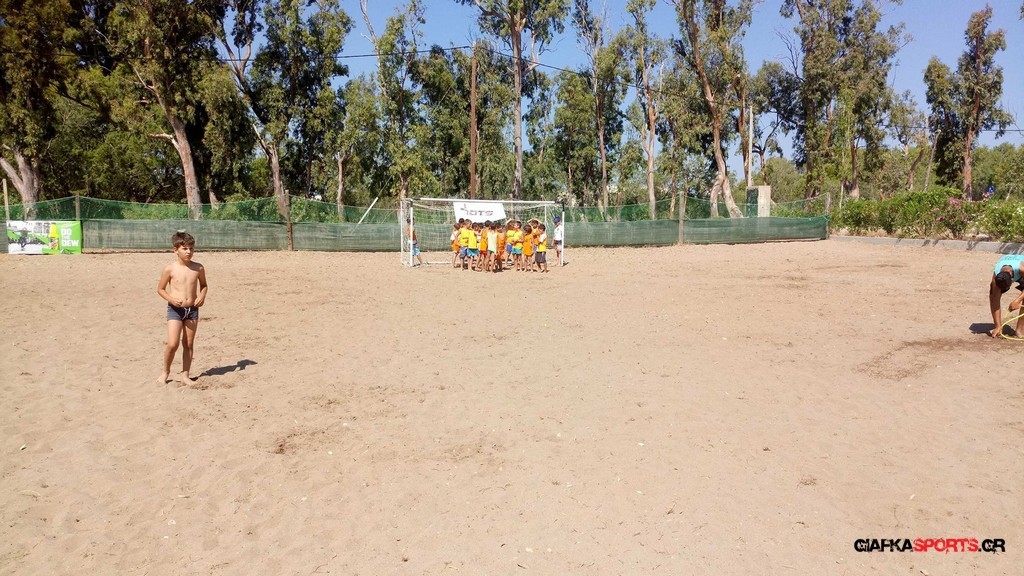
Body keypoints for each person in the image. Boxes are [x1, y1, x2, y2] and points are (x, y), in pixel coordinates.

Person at [157, 231, 208, 385]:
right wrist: (171, 299)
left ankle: (185, 375)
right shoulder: (170, 269)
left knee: (188, 343)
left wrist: (202, 296)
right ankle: (165, 372)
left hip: (192, 310)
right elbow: (160, 289)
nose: (188, 252)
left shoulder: (198, 268)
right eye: (184, 248)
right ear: (175, 250)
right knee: (173, 344)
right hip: (175, 310)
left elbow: (204, 285)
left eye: (191, 248)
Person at [988, 254, 1024, 338]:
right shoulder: (996, 277)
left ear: (1012, 280)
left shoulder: (1021, 269)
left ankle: (1019, 330)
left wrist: (1017, 300)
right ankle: (998, 327)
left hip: (1020, 268)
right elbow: (994, 299)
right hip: (1008, 264)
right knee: (993, 295)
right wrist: (997, 326)